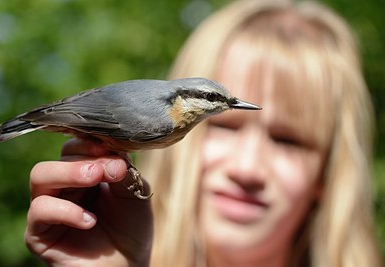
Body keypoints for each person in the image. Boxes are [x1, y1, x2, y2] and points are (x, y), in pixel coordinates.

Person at [24, 0, 382, 266]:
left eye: (287, 140)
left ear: (329, 170)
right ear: (184, 98)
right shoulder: (161, 119)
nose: (247, 168)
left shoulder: (170, 122)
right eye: (223, 124)